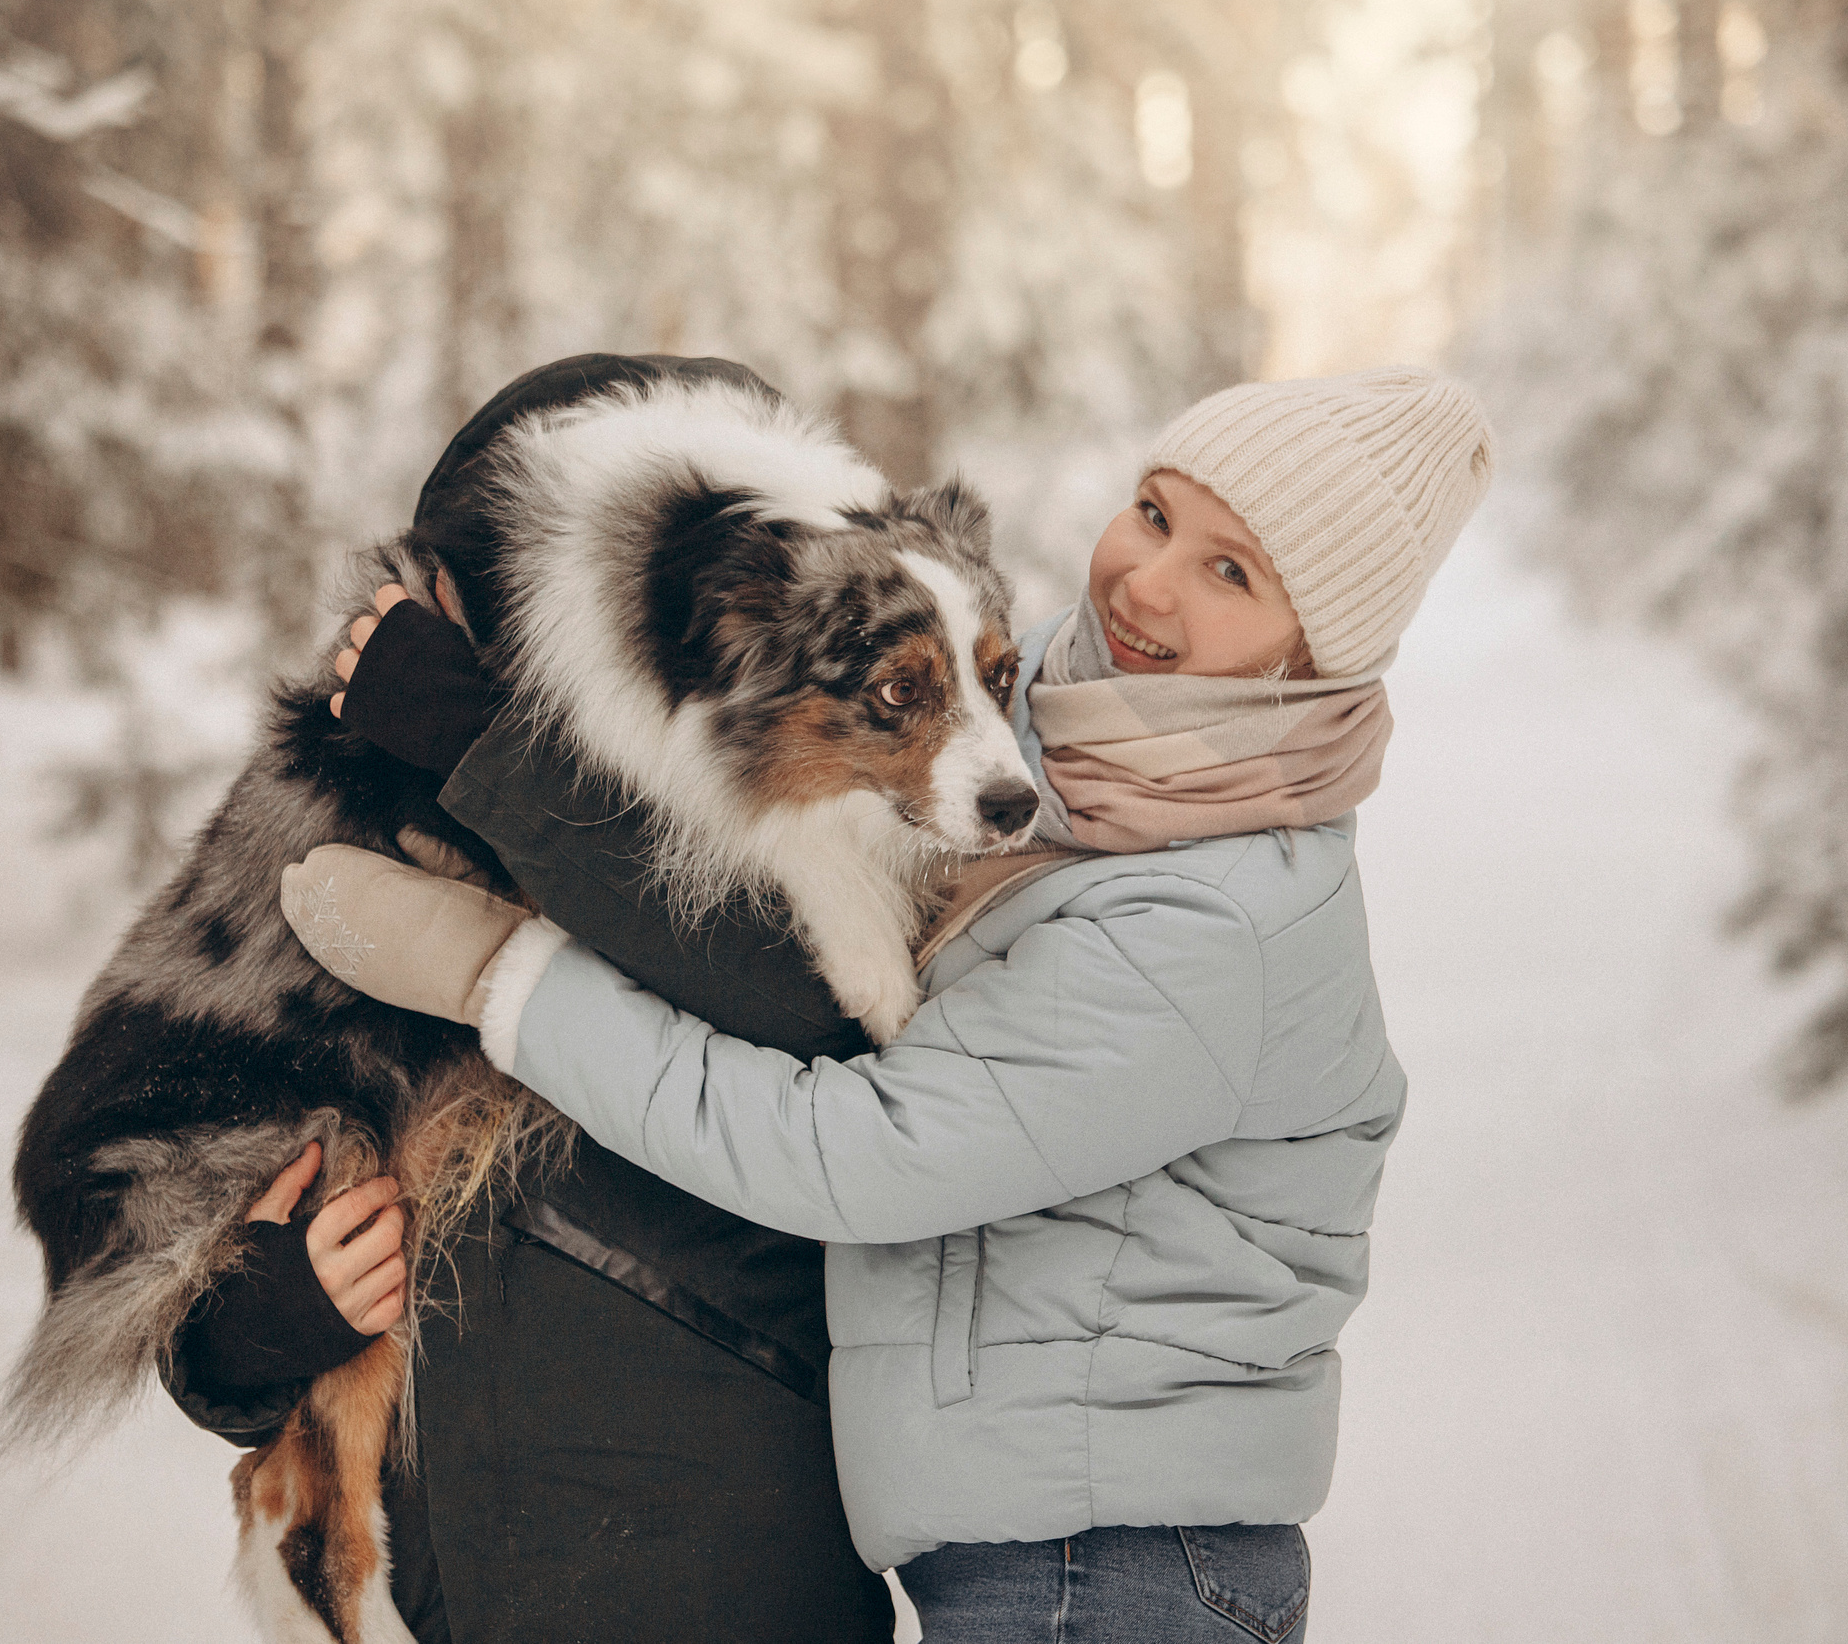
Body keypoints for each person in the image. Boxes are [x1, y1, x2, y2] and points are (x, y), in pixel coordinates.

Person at [284, 367, 1494, 1641]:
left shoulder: (1212, 917)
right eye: (1152, 512)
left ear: (1315, 653)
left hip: (1120, 1567)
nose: (1146, 580)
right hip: (1032, 1548)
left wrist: (505, 974)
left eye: (1232, 572)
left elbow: (858, 1152)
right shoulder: (1076, 751)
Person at [163, 355, 894, 1644]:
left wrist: (489, 756)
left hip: (715, 1586)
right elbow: (158, 1203)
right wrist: (246, 1327)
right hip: (413, 1600)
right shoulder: (345, 845)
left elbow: (805, 1011)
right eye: (483, 606)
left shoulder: (833, 823)